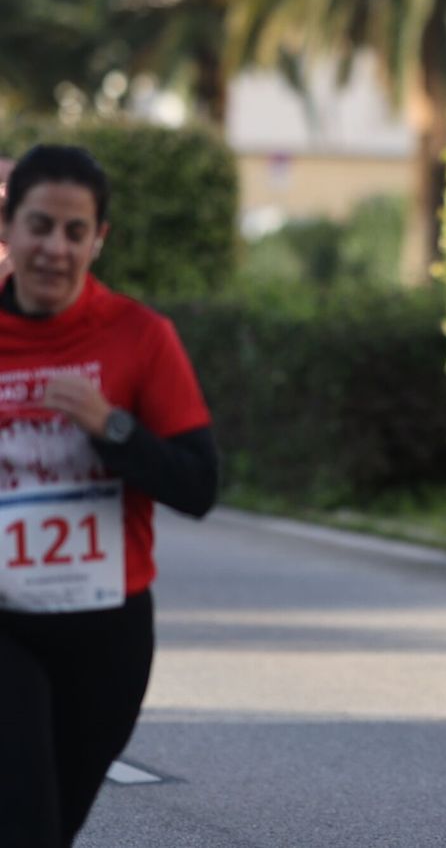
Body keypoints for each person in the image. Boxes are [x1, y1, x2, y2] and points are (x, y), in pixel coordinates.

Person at [0, 144, 219, 846]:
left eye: (74, 231)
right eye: (39, 226)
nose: (54, 249)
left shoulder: (140, 337)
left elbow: (198, 484)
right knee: (25, 816)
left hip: (108, 630)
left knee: (52, 824)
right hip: (5, 619)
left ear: (99, 239)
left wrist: (113, 428)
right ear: (8, 228)